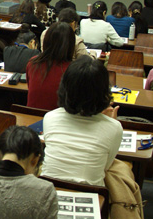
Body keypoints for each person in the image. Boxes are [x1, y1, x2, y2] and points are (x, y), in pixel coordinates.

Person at [41, 56, 122, 186]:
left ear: (64, 87)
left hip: (50, 189)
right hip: (93, 195)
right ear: (104, 91)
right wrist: (109, 122)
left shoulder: (50, 117)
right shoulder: (114, 127)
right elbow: (105, 167)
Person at [26, 22, 74, 110]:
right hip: (57, 121)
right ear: (71, 45)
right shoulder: (72, 70)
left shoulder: (33, 62)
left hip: (31, 116)